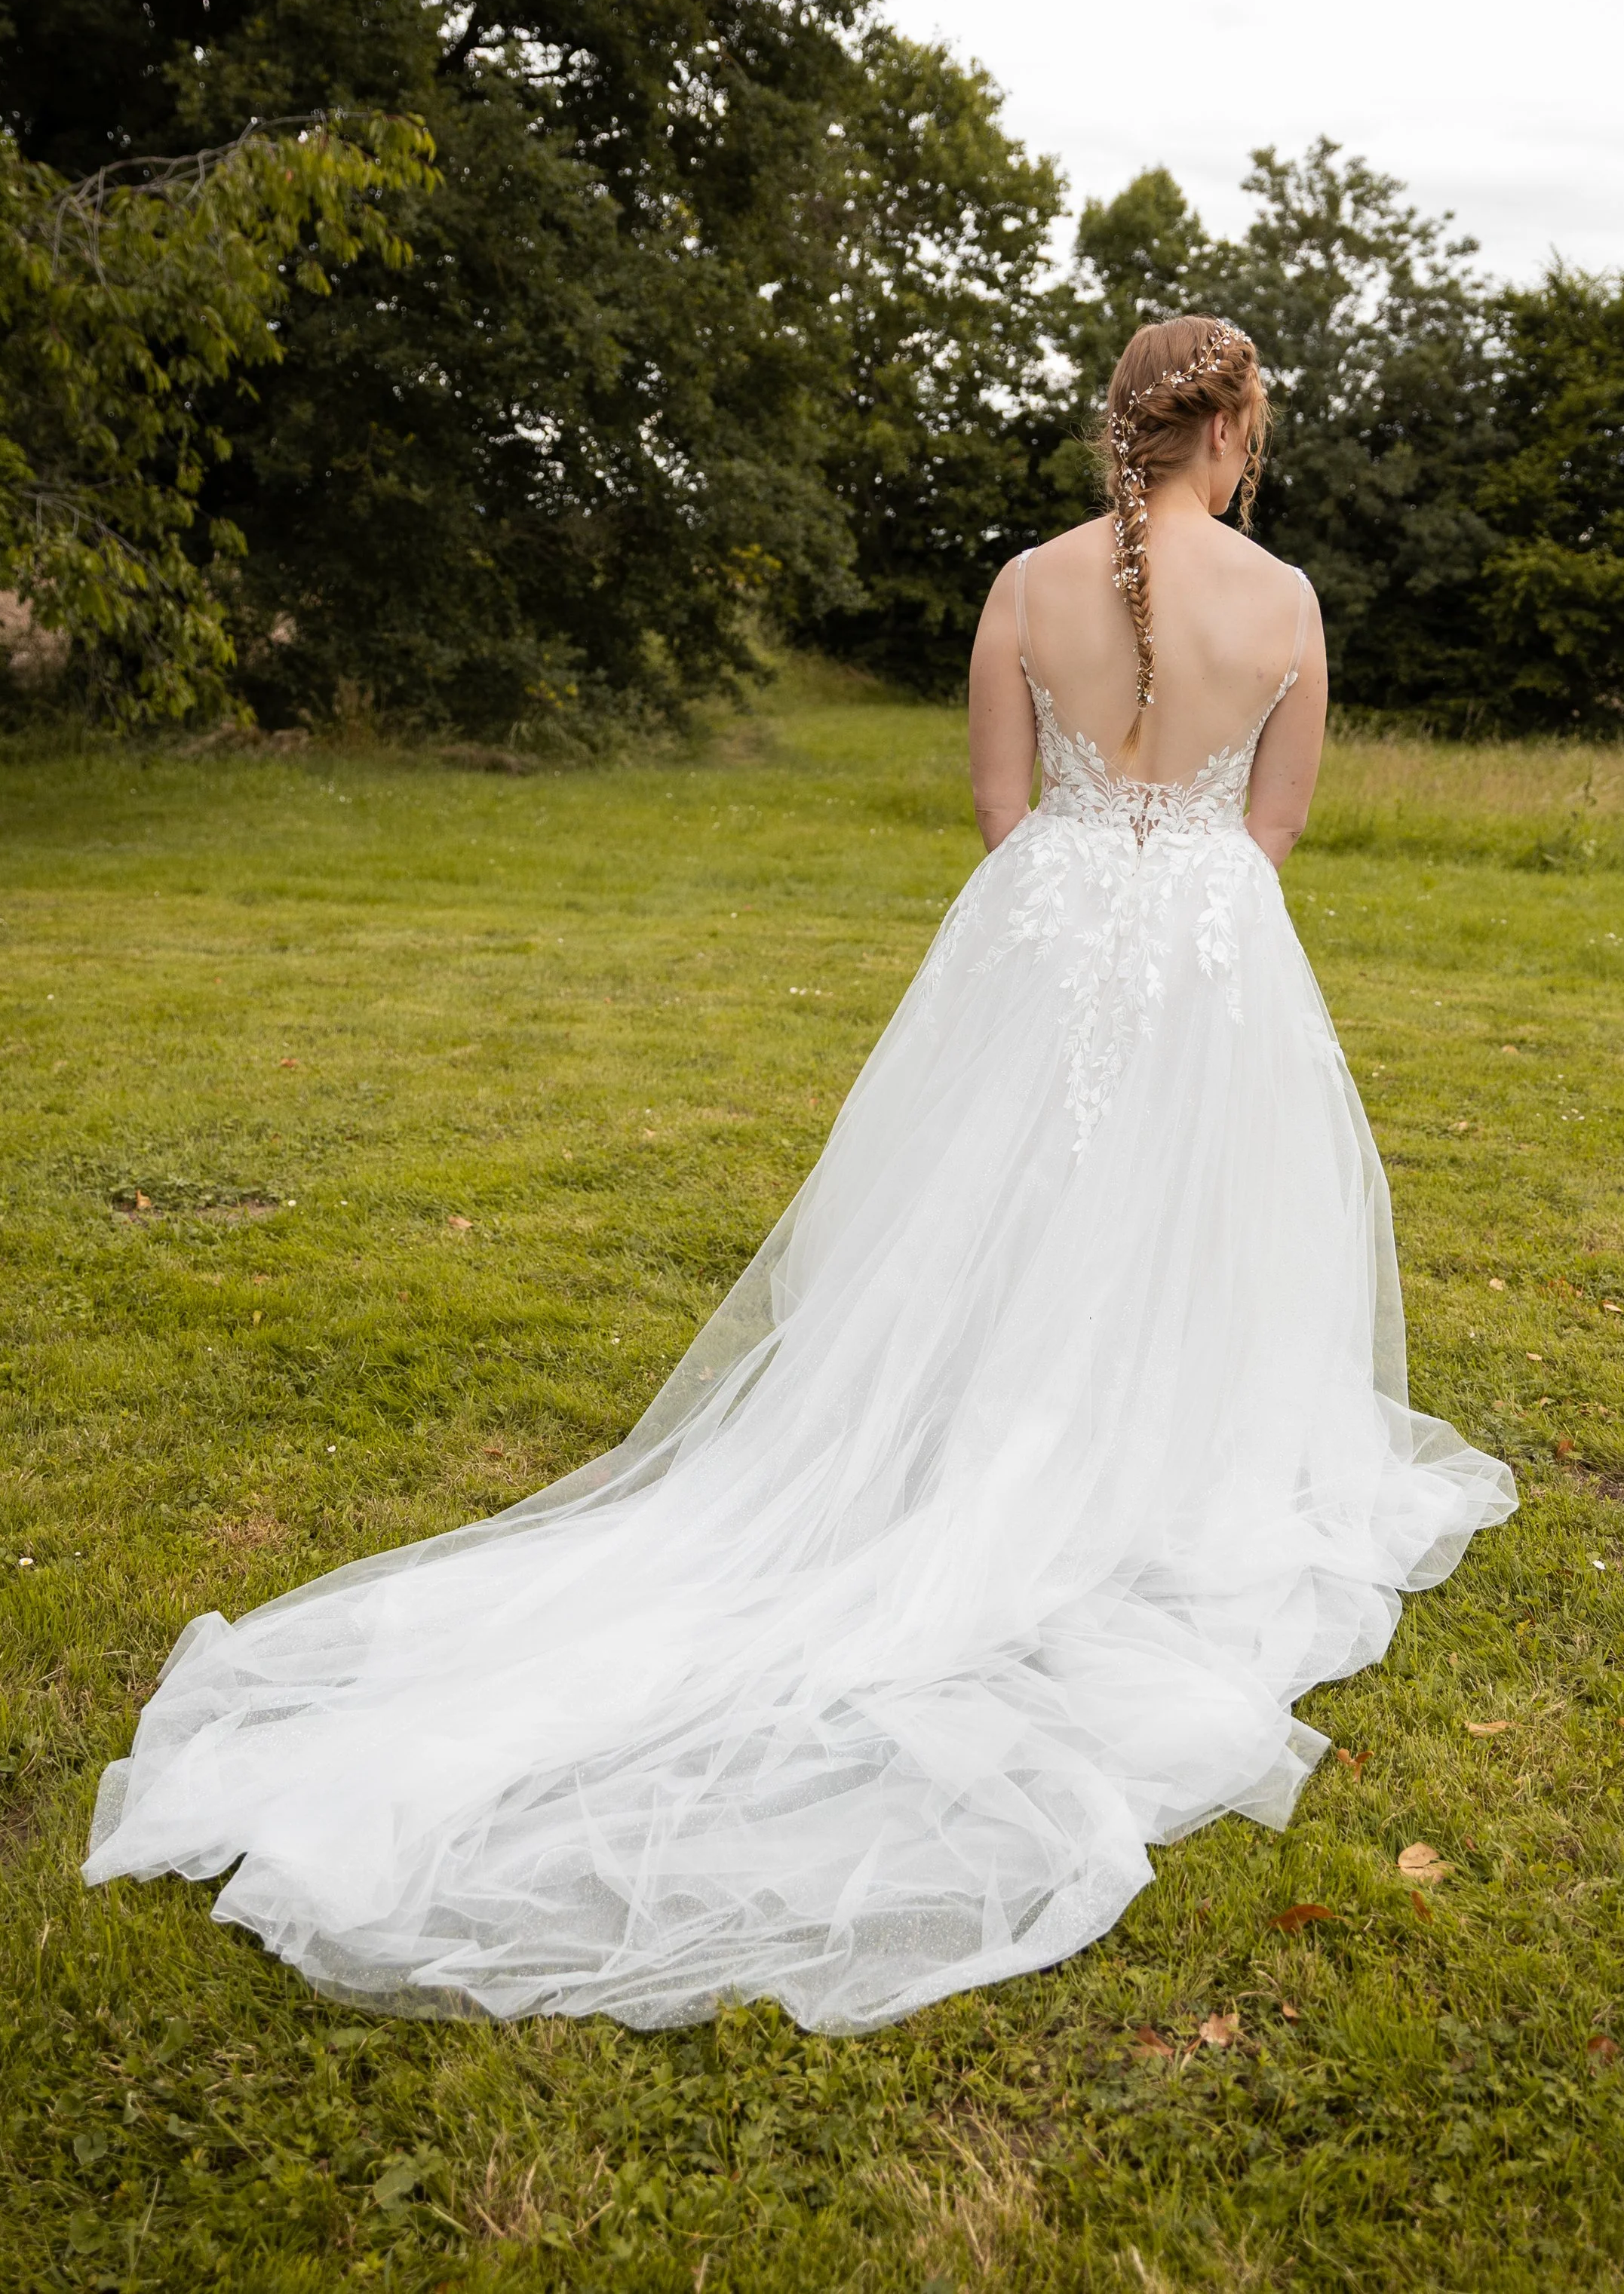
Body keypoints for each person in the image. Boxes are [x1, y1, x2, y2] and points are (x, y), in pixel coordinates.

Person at [85, 315, 1515, 2034]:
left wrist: (1083, 894)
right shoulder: (1284, 603)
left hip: (1042, 929)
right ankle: (1137, 1451)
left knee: (985, 1210)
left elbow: (1003, 808)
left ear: (1120, 429)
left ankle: (955, 1436)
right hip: (1214, 943)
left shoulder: (1020, 582)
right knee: (1190, 1223)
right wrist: (1174, 894)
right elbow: (1269, 832)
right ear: (1232, 432)